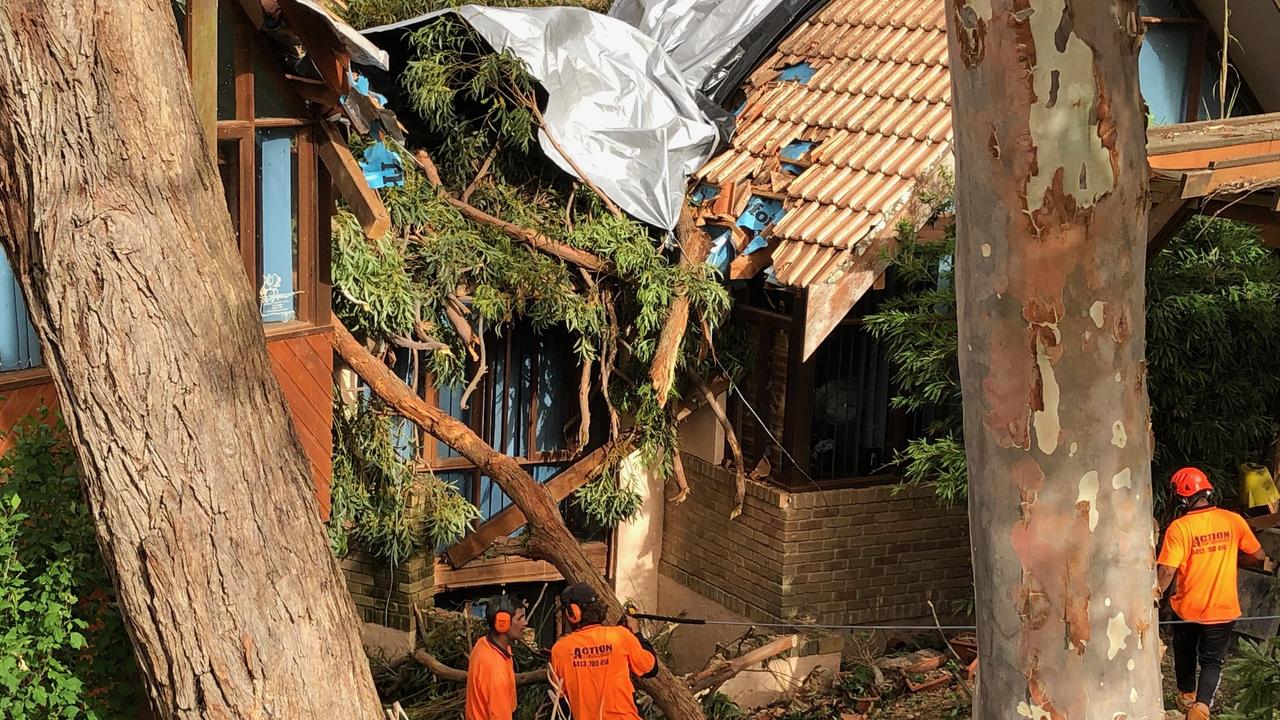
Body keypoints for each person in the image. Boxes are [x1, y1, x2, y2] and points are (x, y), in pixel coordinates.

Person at [1157, 467, 1276, 720]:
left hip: (1187, 608)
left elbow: (1167, 570)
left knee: (1184, 653)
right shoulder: (1232, 520)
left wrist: (1153, 597)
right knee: (1212, 661)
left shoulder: (1179, 528)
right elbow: (1258, 556)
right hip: (1222, 610)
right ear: (1208, 491)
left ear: (1181, 498)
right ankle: (1201, 708)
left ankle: (1186, 698)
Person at [549, 583, 659, 719]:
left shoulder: (560, 650)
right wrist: (636, 633)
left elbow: (561, 699)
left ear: (573, 613)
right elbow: (651, 668)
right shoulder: (621, 636)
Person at [465, 595, 528, 720]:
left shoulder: (483, 643)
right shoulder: (496, 672)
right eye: (520, 618)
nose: (525, 623)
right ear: (502, 623)